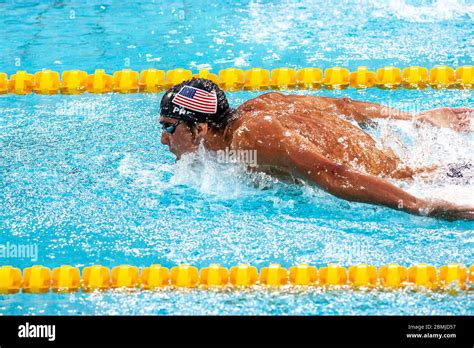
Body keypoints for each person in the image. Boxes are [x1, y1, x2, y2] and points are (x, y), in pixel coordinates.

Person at [159, 78, 473, 221]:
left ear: (200, 128)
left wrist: (420, 204)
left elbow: (332, 173)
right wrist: (415, 118)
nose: (164, 139)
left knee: (419, 173)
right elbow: (343, 106)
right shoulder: (259, 107)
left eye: (169, 127)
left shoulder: (250, 138)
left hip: (401, 176)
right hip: (384, 156)